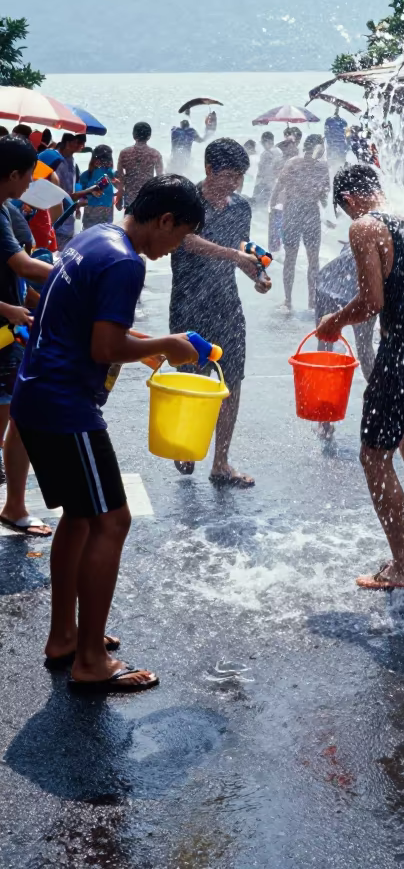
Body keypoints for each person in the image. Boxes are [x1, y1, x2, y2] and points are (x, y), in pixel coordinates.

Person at [11, 175, 205, 691]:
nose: (176, 248)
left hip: (37, 395)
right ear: (164, 220)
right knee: (112, 521)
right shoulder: (126, 261)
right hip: (65, 405)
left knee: (78, 516)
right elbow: (103, 349)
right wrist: (167, 342)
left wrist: (152, 343)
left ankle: (65, 638)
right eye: (180, 235)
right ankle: (91, 661)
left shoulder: (93, 239)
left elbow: (89, 325)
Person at [316, 163, 404, 589]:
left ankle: (403, 566)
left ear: (348, 201)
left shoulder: (365, 227)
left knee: (374, 455)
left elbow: (371, 301)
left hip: (402, 356)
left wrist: (334, 322)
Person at [169, 138, 271, 487]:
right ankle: (184, 445)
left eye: (240, 176)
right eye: (228, 175)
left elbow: (241, 248)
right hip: (188, 304)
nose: (235, 184)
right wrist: (235, 256)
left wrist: (257, 274)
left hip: (226, 304)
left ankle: (221, 462)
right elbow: (186, 241)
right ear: (209, 169)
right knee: (191, 380)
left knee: (231, 382)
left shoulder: (241, 207)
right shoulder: (187, 201)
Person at [0, 138, 56, 536]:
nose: (29, 187)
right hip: (3, 334)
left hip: (9, 326)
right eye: (27, 178)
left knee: (16, 418)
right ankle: (14, 506)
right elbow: (21, 263)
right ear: (13, 174)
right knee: (18, 419)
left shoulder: (6, 208)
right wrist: (77, 272)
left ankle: (14, 503)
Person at [314, 241, 377, 444]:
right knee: (363, 348)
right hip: (341, 287)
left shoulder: (364, 233)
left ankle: (324, 422)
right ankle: (381, 408)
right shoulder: (379, 239)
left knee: (326, 350)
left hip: (334, 284)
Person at [270, 134, 330, 310]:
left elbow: (279, 186)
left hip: (293, 211)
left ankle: (288, 300)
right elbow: (323, 194)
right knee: (313, 259)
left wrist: (273, 205)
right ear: (319, 148)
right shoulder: (322, 167)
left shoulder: (293, 163)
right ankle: (312, 300)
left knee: (290, 258)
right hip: (310, 212)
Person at [115, 123, 164, 211]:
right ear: (149, 136)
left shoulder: (124, 153)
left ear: (134, 135)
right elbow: (159, 179)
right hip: (148, 198)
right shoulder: (155, 154)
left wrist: (119, 196)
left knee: (128, 223)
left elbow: (120, 178)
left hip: (130, 198)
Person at [53, 133, 88, 251]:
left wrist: (76, 205)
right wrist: (90, 191)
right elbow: (58, 192)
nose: (81, 146)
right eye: (78, 143)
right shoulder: (57, 161)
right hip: (58, 217)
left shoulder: (71, 160)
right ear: (68, 143)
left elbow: (71, 187)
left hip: (69, 215)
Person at [77, 145, 117, 229]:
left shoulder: (86, 175)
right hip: (107, 213)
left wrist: (77, 208)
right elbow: (120, 185)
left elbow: (81, 195)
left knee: (89, 236)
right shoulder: (111, 174)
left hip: (90, 213)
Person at [252, 132, 283, 224]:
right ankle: (267, 224)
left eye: (262, 142)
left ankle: (258, 226)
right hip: (272, 184)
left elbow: (262, 171)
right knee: (267, 207)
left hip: (263, 184)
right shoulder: (278, 152)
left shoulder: (266, 154)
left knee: (257, 208)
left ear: (266, 142)